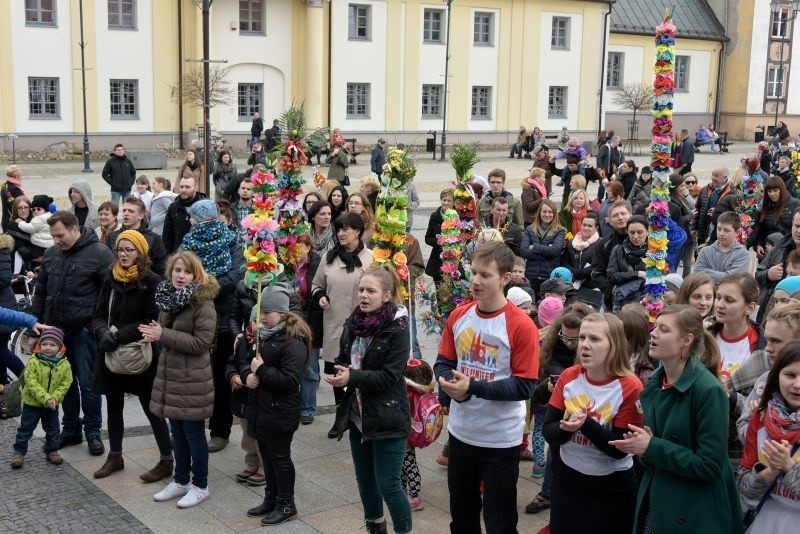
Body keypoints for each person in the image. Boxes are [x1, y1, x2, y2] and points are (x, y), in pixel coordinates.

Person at [435, 241, 540, 534]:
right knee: (462, 518)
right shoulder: (459, 315)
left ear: (506, 278)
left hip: (499, 441)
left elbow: (524, 386)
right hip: (461, 435)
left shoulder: (521, 325)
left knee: (500, 521)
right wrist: (446, 385)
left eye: (485, 275)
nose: (476, 281)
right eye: (474, 273)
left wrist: (473, 388)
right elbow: (443, 361)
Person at [610, 305, 742, 533]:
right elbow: (655, 450)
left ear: (686, 340)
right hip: (658, 498)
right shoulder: (655, 384)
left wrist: (651, 447)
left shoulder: (708, 391)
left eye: (664, 329)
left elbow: (710, 465)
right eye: (655, 327)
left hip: (693, 510)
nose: (653, 333)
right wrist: (642, 447)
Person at [326, 266, 413, 534]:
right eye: (361, 290)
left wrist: (351, 377)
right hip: (358, 416)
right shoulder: (354, 322)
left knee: (388, 483)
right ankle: (375, 527)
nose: (363, 295)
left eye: (371, 291)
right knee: (365, 479)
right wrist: (340, 371)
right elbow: (344, 358)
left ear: (387, 295)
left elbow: (389, 377)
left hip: (388, 416)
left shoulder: (397, 329)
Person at [543, 313, 643, 533]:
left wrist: (586, 424)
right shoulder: (569, 376)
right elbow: (548, 431)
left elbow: (620, 450)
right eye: (582, 338)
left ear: (614, 345)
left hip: (610, 488)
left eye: (595, 339)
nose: (585, 345)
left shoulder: (630, 386)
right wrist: (565, 428)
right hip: (567, 481)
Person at [30, 211, 115, 456]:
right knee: (63, 384)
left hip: (85, 332)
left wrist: (97, 327)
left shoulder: (99, 253)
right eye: (53, 236)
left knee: (88, 385)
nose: (56, 240)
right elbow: (41, 291)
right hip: (56, 332)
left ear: (75, 229)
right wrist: (36, 326)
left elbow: (111, 294)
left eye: (60, 235)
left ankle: (93, 432)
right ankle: (70, 429)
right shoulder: (51, 253)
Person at [90, 230, 172, 482]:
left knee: (152, 408)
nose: (123, 255)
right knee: (113, 405)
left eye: (129, 250)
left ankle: (167, 459)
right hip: (112, 351)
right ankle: (115, 456)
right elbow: (99, 312)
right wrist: (102, 331)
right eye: (120, 250)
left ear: (140, 252)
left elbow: (150, 320)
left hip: (139, 351)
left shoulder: (153, 281)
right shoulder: (110, 277)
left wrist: (118, 335)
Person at [144, 251, 218, 509]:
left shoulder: (203, 303)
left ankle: (200, 485)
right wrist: (155, 335)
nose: (181, 276)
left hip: (192, 379)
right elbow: (166, 334)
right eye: (177, 270)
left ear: (195, 274)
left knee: (194, 435)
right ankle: (181, 480)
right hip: (171, 375)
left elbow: (202, 343)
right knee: (177, 432)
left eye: (186, 272)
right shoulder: (169, 299)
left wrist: (162, 334)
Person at [239, 286, 311, 525]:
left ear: (282, 313)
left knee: (280, 458)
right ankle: (271, 498)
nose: (262, 318)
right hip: (261, 409)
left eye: (267, 313)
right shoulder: (264, 335)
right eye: (261, 312)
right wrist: (247, 374)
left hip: (281, 411)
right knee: (267, 457)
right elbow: (245, 362)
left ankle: (287, 503)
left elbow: (289, 380)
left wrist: (261, 370)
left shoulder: (294, 342)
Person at [311, 212, 373, 424]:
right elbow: (317, 285)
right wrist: (320, 296)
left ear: (358, 231)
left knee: (360, 371)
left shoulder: (371, 258)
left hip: (365, 328)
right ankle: (341, 417)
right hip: (335, 326)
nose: (341, 233)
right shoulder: (329, 258)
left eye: (345, 228)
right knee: (339, 373)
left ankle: (361, 413)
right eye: (338, 229)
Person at [738, 342, 800, 532]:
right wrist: (770, 471)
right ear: (776, 376)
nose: (797, 385)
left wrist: (788, 467)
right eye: (790, 375)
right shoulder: (761, 415)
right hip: (765, 520)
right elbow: (744, 487)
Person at [9, 327, 72, 469]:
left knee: (53, 430)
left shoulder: (65, 364)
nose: (48, 348)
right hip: (33, 404)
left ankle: (52, 451)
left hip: (52, 405)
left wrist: (55, 398)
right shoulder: (34, 361)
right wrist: (45, 398)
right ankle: (19, 452)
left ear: (60, 347)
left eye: (52, 345)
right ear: (39, 345)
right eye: (44, 344)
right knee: (25, 429)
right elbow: (31, 381)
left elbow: (66, 382)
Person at [711, 273, 765, 377]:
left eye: (729, 300)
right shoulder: (705, 333)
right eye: (718, 297)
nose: (719, 305)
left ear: (749, 308)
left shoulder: (760, 347)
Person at [401, 358, 436, 512]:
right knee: (405, 464)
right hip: (412, 433)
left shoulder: (407, 393)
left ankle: (414, 497)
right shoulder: (422, 392)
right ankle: (405, 492)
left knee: (408, 464)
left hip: (404, 434)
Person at [108, 198, 167, 276]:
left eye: (131, 211)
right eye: (124, 210)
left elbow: (161, 269)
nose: (126, 213)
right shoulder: (113, 236)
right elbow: (108, 263)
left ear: (141, 215)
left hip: (144, 283)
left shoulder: (153, 238)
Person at [591, 200, 632, 309]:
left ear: (631, 216)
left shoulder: (645, 239)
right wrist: (611, 288)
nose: (620, 217)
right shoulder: (603, 244)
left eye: (623, 214)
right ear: (609, 221)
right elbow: (596, 272)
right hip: (612, 300)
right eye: (615, 215)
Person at [521, 199, 566, 295]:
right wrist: (547, 252)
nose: (547, 214)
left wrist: (534, 247)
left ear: (554, 214)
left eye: (550, 212)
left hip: (548, 275)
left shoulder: (560, 231)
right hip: (531, 275)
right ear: (539, 213)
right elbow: (524, 251)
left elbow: (555, 251)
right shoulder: (530, 229)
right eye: (544, 211)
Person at [694, 210, 752, 284]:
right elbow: (696, 274)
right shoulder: (705, 251)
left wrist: (705, 272)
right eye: (719, 229)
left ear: (737, 232)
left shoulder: (743, 255)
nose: (721, 233)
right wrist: (725, 275)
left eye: (726, 230)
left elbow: (732, 279)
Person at [753, 176, 800, 256]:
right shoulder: (766, 206)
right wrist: (759, 244)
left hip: (789, 250)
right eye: (769, 191)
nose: (772, 194)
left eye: (775, 190)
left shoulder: (795, 204)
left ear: (782, 190)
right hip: (768, 251)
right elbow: (762, 229)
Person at [162, 176, 207, 254]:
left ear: (196, 188)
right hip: (179, 256)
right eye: (181, 187)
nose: (183, 190)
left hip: (200, 256)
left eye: (187, 187)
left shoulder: (205, 207)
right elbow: (167, 236)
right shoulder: (173, 207)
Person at [692, 166, 733, 245]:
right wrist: (694, 227)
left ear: (725, 177)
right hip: (703, 233)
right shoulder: (705, 189)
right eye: (712, 175)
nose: (713, 178)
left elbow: (734, 216)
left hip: (720, 236)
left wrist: (718, 213)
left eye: (716, 176)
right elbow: (697, 210)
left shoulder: (733, 193)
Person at [424, 189, 454, 289]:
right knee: (439, 290)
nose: (446, 203)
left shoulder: (457, 216)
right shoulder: (434, 216)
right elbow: (427, 238)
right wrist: (437, 241)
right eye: (444, 200)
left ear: (453, 202)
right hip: (437, 260)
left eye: (449, 200)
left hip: (453, 259)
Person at [564, 212, 600, 290]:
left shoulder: (601, 243)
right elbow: (565, 262)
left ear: (596, 228)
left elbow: (598, 266)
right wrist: (572, 273)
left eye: (590, 226)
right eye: (584, 225)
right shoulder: (571, 242)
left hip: (592, 286)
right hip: (571, 284)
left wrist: (578, 273)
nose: (586, 228)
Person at [1, 164, 26, 232]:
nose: (21, 177)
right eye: (20, 175)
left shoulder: (5, 186)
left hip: (6, 220)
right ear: (16, 176)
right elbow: (21, 206)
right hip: (15, 223)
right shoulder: (15, 189)